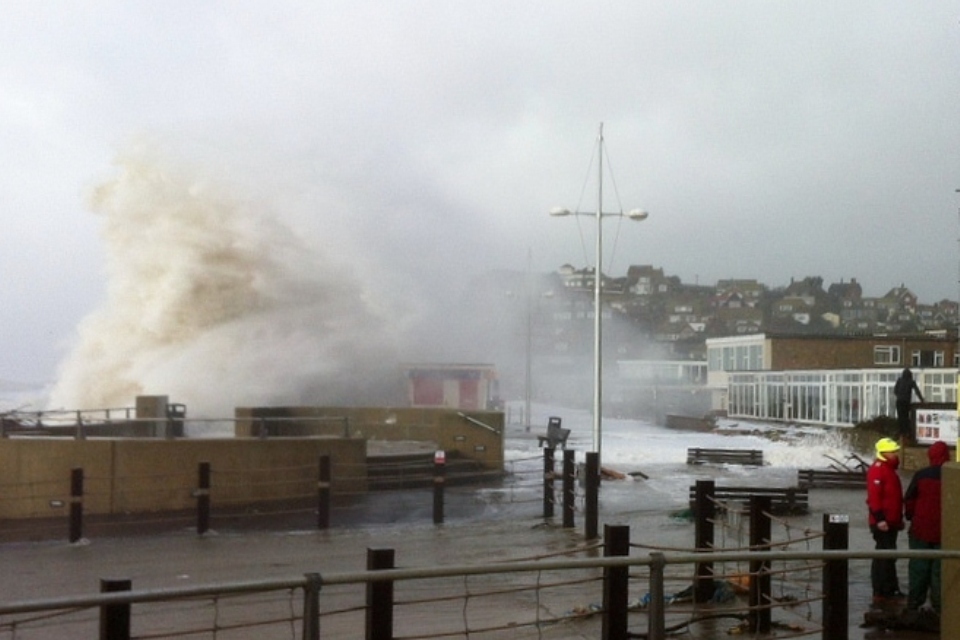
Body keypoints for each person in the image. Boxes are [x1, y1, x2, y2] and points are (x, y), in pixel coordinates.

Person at [903, 440, 950, 615]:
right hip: (945, 532)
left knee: (918, 567)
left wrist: (910, 517)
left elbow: (909, 499)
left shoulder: (921, 475)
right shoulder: (954, 476)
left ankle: (914, 604)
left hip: (920, 530)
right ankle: (940, 607)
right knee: (941, 569)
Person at [867, 437, 905, 606]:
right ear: (884, 453)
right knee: (883, 556)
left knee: (889, 556)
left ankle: (889, 589)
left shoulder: (889, 470)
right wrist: (880, 519)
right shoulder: (878, 470)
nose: (896, 454)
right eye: (893, 452)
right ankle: (881, 591)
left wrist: (898, 519)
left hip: (891, 522)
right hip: (883, 523)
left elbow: (894, 499)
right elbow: (874, 498)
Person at [893, 368, 924, 445]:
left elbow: (895, 391)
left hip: (899, 401)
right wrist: (922, 400)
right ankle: (907, 435)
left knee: (900, 418)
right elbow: (917, 391)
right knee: (906, 418)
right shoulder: (911, 382)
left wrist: (899, 396)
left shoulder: (899, 380)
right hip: (906, 402)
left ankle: (901, 434)